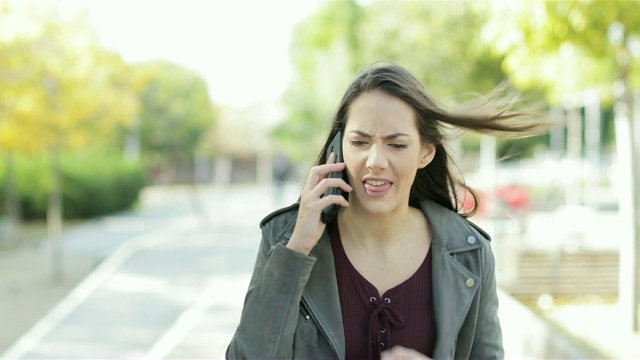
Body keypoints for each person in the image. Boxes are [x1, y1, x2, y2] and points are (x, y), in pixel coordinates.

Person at [226, 63, 541, 360]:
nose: (375, 160)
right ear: (338, 148)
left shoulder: (469, 252)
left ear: (426, 152)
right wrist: (296, 251)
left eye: (397, 145)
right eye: (360, 142)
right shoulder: (285, 238)